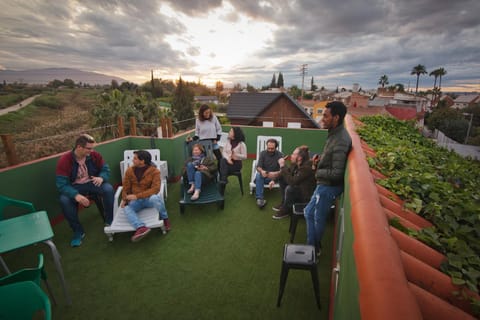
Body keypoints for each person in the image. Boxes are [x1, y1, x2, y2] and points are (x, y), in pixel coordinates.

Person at [304, 101, 352, 255]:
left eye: (325, 115)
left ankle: (313, 250)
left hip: (328, 187)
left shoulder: (341, 140)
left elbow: (337, 173)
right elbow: (331, 159)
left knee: (316, 217)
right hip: (324, 184)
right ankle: (313, 246)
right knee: (308, 212)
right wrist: (320, 160)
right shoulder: (334, 134)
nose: (322, 118)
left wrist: (317, 172)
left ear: (336, 118)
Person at [56, 134, 114, 247]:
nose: (92, 151)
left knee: (108, 189)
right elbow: (61, 185)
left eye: (92, 148)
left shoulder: (94, 155)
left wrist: (102, 177)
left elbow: (105, 169)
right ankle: (78, 232)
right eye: (89, 148)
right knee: (64, 200)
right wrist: (76, 195)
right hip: (74, 187)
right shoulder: (65, 160)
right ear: (79, 147)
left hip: (92, 182)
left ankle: (110, 220)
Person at [121, 150, 171, 242]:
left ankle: (165, 218)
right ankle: (141, 227)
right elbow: (126, 187)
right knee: (127, 208)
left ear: (142, 161)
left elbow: (155, 189)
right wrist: (124, 199)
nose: (133, 160)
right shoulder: (129, 171)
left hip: (148, 199)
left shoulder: (155, 171)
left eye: (135, 158)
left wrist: (137, 196)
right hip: (136, 201)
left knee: (155, 198)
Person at [270, 145, 316, 219]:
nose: (291, 155)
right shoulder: (295, 164)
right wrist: (273, 180)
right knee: (283, 178)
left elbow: (292, 182)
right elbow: (286, 172)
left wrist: (282, 166)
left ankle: (286, 209)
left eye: (294, 154)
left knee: (290, 188)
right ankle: (284, 203)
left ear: (300, 158)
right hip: (300, 188)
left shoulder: (307, 167)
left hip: (306, 196)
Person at [254, 138, 283, 208]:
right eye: (268, 148)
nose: (270, 150)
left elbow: (281, 170)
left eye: (272, 149)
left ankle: (259, 184)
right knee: (258, 175)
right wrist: (262, 171)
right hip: (264, 175)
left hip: (274, 176)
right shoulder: (263, 153)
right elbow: (258, 167)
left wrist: (274, 180)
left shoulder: (280, 155)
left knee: (259, 178)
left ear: (276, 147)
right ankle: (260, 199)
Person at [218, 127, 247, 192]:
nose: (229, 132)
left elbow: (245, 156)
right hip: (228, 163)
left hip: (236, 165)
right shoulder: (228, 142)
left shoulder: (241, 144)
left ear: (235, 134)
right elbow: (224, 152)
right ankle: (223, 180)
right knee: (222, 161)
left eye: (231, 131)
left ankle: (222, 184)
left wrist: (235, 155)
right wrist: (228, 159)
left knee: (222, 167)